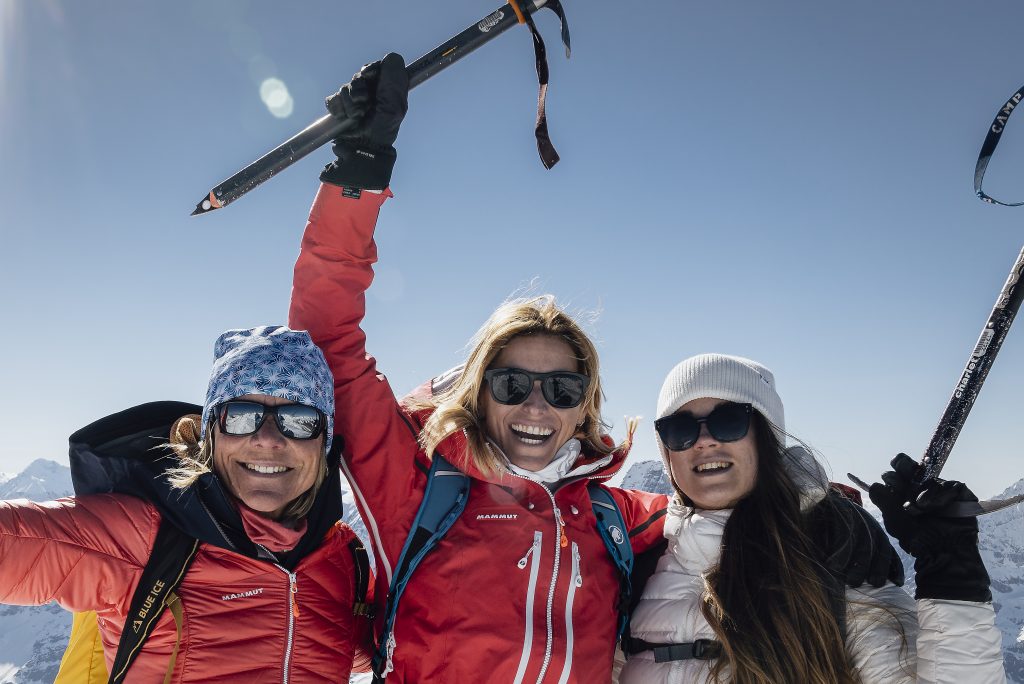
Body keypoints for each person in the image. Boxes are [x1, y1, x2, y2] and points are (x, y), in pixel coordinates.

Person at [288, 55, 901, 682]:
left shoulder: (615, 518)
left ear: (586, 405)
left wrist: (828, 512)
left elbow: (721, 502)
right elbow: (326, 343)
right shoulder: (418, 489)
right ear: (480, 394)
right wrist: (356, 175)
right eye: (512, 384)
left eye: (561, 388)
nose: (535, 406)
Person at [0, 326, 373, 682]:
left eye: (299, 420)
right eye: (242, 416)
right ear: (211, 434)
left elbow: (380, 647)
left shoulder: (342, 557)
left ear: (323, 443)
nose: (268, 438)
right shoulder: (140, 536)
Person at [620, 353, 1005, 683]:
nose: (704, 441)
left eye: (729, 421)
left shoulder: (829, 554)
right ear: (668, 453)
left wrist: (953, 576)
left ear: (765, 437)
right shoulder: (637, 566)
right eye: (679, 429)